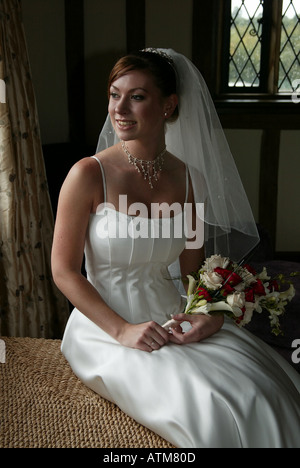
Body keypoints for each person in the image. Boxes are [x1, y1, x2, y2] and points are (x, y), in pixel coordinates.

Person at [51, 48, 300, 448]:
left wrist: (208, 316)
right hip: (106, 326)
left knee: (259, 389)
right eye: (115, 94)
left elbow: (192, 273)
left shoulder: (189, 180)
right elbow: (63, 271)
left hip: (171, 316)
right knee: (209, 404)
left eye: (137, 96)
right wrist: (124, 331)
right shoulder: (87, 173)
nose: (120, 108)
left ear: (169, 105)